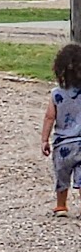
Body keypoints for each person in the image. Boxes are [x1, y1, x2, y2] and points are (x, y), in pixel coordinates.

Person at [41, 42, 81, 216]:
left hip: (63, 144)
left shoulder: (56, 93)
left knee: (62, 176)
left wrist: (44, 139)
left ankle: (61, 206)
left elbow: (49, 117)